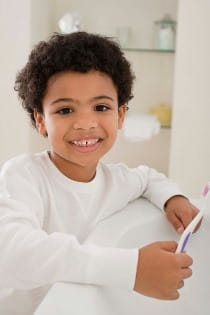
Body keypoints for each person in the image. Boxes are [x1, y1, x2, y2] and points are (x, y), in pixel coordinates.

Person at [0, 32, 199, 314]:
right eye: (66, 110)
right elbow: (10, 253)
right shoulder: (23, 176)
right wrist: (131, 269)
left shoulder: (115, 180)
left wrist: (173, 197)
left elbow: (147, 178)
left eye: (101, 107)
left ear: (120, 115)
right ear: (41, 120)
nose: (85, 123)